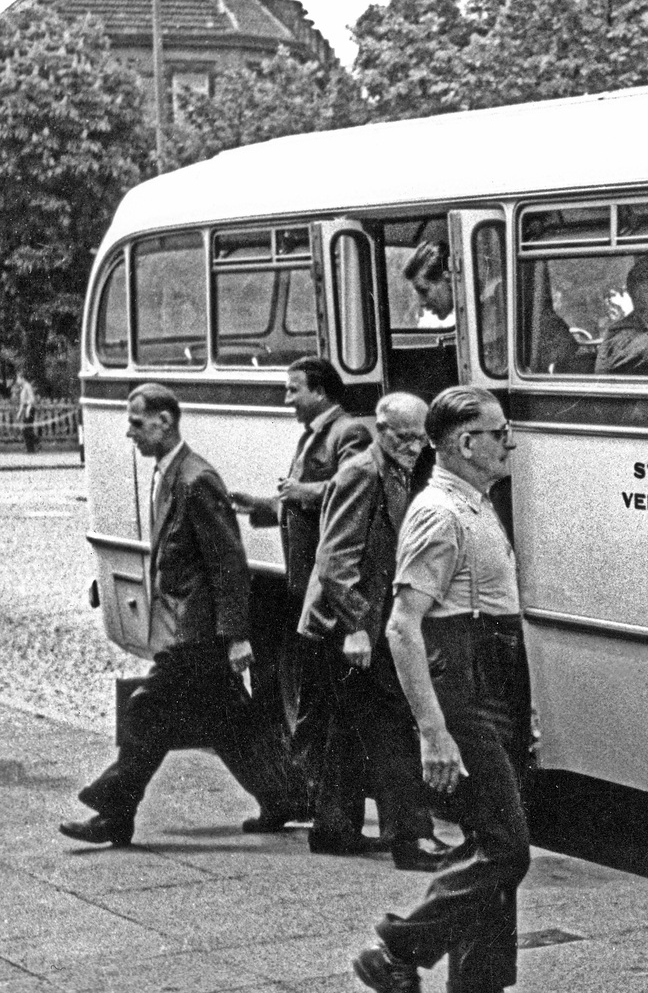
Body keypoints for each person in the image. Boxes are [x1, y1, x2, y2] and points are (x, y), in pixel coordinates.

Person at [351, 386, 552, 993]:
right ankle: (398, 951)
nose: (509, 442)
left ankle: (477, 992)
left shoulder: (472, 502)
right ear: (467, 444)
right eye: (499, 433)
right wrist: (434, 731)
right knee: (506, 849)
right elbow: (403, 627)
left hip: (491, 678)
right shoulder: (439, 513)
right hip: (463, 687)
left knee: (489, 838)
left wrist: (521, 706)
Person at [59, 385, 299, 846]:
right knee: (229, 720)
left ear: (165, 422)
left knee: (146, 709)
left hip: (198, 628)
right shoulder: (170, 473)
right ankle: (284, 796)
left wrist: (235, 634)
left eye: (136, 422)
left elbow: (228, 562)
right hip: (186, 622)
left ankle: (113, 810)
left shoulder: (195, 479)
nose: (128, 431)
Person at [299, 392, 454, 871]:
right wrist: (356, 628)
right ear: (380, 431)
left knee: (348, 727)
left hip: (363, 621)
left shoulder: (402, 469)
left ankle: (333, 830)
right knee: (389, 725)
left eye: (420, 437)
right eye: (403, 437)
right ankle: (412, 839)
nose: (413, 446)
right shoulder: (362, 473)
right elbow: (334, 561)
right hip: (349, 626)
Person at [231, 357, 372, 833]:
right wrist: (266, 506)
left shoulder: (348, 433)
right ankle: (322, 810)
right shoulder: (313, 434)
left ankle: (329, 815)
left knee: (329, 708)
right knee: (321, 705)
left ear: (322, 391)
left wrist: (299, 492)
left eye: (294, 390)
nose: (287, 399)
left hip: (327, 586)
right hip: (307, 585)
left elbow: (346, 491)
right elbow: (301, 503)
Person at [15, 374, 36, 454]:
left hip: (29, 409)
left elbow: (32, 399)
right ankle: (30, 448)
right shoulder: (23, 387)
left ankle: (31, 449)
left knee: (27, 429)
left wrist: (28, 409)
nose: (17, 381)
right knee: (25, 430)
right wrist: (19, 413)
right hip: (26, 409)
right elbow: (22, 402)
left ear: (22, 378)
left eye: (18, 378)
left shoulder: (28, 386)